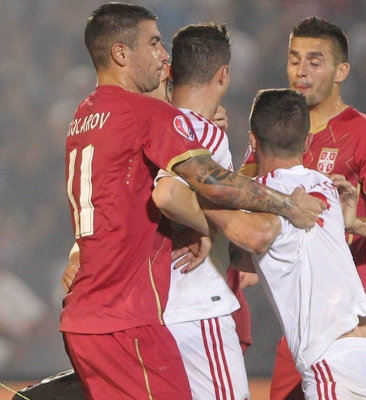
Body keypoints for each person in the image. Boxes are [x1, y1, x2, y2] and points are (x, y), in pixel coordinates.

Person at [62, 4, 325, 399]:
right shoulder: (148, 114)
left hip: (86, 312)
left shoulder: (84, 117)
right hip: (127, 316)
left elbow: (116, 198)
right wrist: (287, 205)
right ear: (120, 53)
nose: (163, 56)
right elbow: (213, 183)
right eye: (153, 43)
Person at [239, 17, 366, 399]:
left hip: (355, 318)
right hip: (304, 322)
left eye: (315, 61)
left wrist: (352, 222)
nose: (301, 71)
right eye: (294, 59)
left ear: (341, 71)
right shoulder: (275, 136)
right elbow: (238, 199)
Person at [205, 88, 366, 399]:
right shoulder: (326, 185)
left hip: (335, 367)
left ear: (252, 141)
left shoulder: (258, 197)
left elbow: (253, 235)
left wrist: (201, 197)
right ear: (307, 142)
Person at [152, 23, 250, 399]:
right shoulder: (203, 133)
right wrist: (206, 227)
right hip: (194, 303)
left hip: (153, 309)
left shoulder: (149, 128)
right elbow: (168, 196)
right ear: (223, 74)